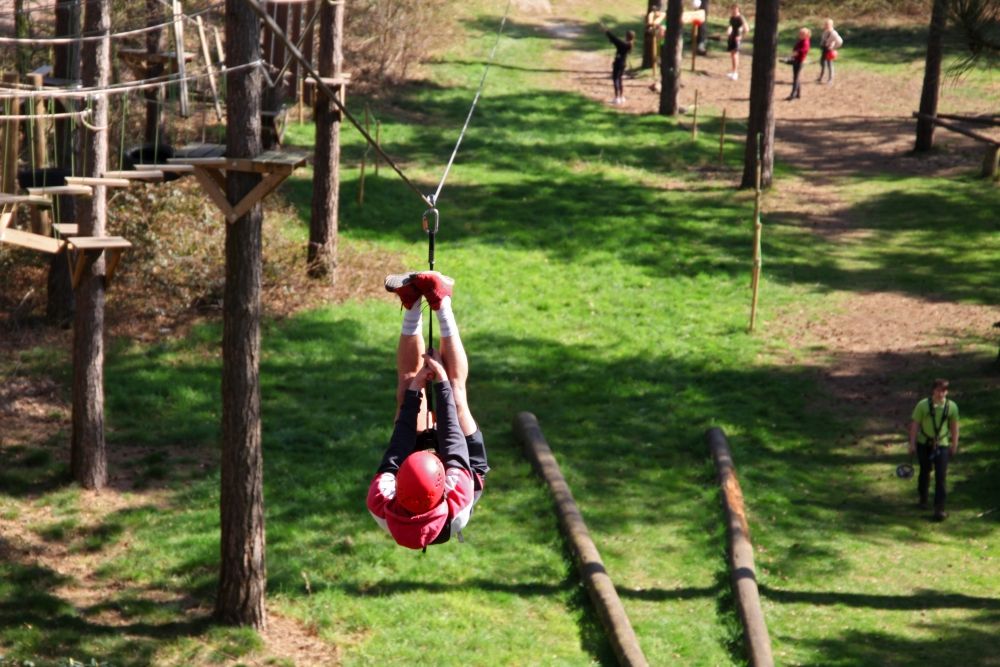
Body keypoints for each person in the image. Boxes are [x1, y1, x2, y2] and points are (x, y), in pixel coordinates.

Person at [367, 271, 490, 550]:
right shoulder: (458, 496)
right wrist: (442, 383)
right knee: (457, 396)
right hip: (467, 465)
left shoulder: (380, 498)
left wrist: (413, 393)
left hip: (423, 473)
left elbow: (398, 447)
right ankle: (442, 300)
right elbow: (453, 442)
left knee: (406, 387)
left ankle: (412, 306)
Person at [908, 379, 960, 522]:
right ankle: (923, 498)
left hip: (942, 444)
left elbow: (954, 427)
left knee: (941, 476)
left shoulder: (951, 407)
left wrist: (954, 444)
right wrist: (912, 444)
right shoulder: (923, 405)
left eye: (944, 390)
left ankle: (939, 508)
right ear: (933, 390)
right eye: (938, 390)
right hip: (924, 443)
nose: (941, 393)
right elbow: (915, 425)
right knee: (925, 471)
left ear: (947, 392)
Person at [605, 27, 636, 105]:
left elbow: (616, 40)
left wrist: (608, 32)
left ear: (627, 36)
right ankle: (621, 96)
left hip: (618, 63)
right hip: (622, 63)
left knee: (615, 79)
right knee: (619, 79)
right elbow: (616, 42)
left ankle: (617, 97)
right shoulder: (628, 44)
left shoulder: (625, 44)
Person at [725, 5, 749, 80]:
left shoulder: (740, 18)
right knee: (732, 55)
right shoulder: (732, 17)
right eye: (732, 9)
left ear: (738, 10)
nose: (733, 11)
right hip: (731, 38)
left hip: (736, 38)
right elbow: (731, 26)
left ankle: (735, 73)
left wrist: (741, 37)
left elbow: (746, 29)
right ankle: (733, 71)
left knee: (735, 55)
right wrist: (729, 31)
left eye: (735, 9)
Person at [786, 27, 811, 100]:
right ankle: (798, 94)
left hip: (799, 61)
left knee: (796, 78)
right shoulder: (801, 41)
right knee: (796, 77)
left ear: (806, 35)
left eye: (802, 33)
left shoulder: (805, 42)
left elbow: (802, 51)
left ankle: (793, 94)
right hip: (796, 60)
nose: (800, 35)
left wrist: (793, 54)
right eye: (800, 33)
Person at [816, 18, 843, 84]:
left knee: (829, 64)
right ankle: (821, 77)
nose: (826, 25)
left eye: (827, 24)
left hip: (829, 51)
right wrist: (821, 45)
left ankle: (830, 79)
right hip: (824, 49)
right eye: (825, 24)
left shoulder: (834, 33)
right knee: (822, 63)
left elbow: (840, 41)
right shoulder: (825, 32)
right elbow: (823, 40)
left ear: (831, 25)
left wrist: (833, 47)